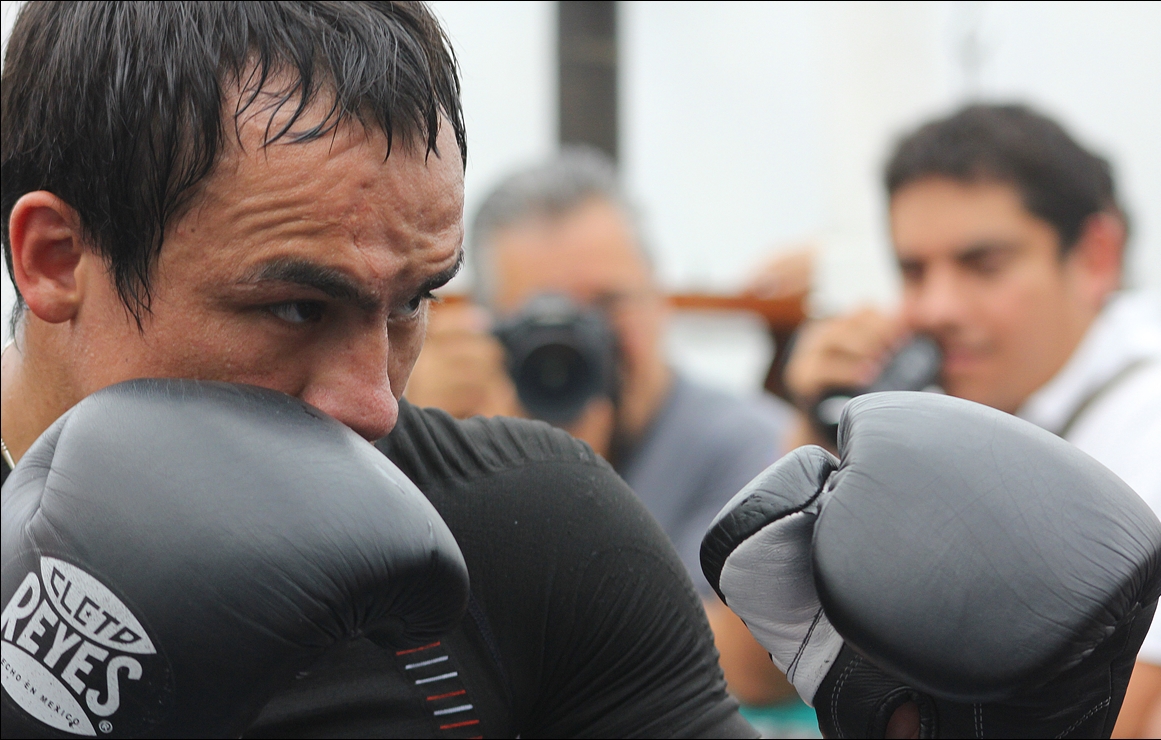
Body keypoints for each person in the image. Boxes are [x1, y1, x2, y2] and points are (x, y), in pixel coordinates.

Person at [0, 3, 754, 736]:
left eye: (409, 304)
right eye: (297, 308)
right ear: (58, 259)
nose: (374, 407)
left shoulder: (535, 538)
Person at [783, 103, 1161, 738]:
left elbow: (1116, 720)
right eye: (913, 271)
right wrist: (821, 440)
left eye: (984, 266)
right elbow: (758, 671)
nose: (937, 308)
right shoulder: (977, 423)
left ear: (1096, 256)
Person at [404, 149, 804, 709]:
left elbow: (744, 670)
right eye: (546, 318)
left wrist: (553, 488)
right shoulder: (460, 446)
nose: (580, 345)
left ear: (660, 300)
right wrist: (415, 441)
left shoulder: (757, 448)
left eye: (608, 306)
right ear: (491, 332)